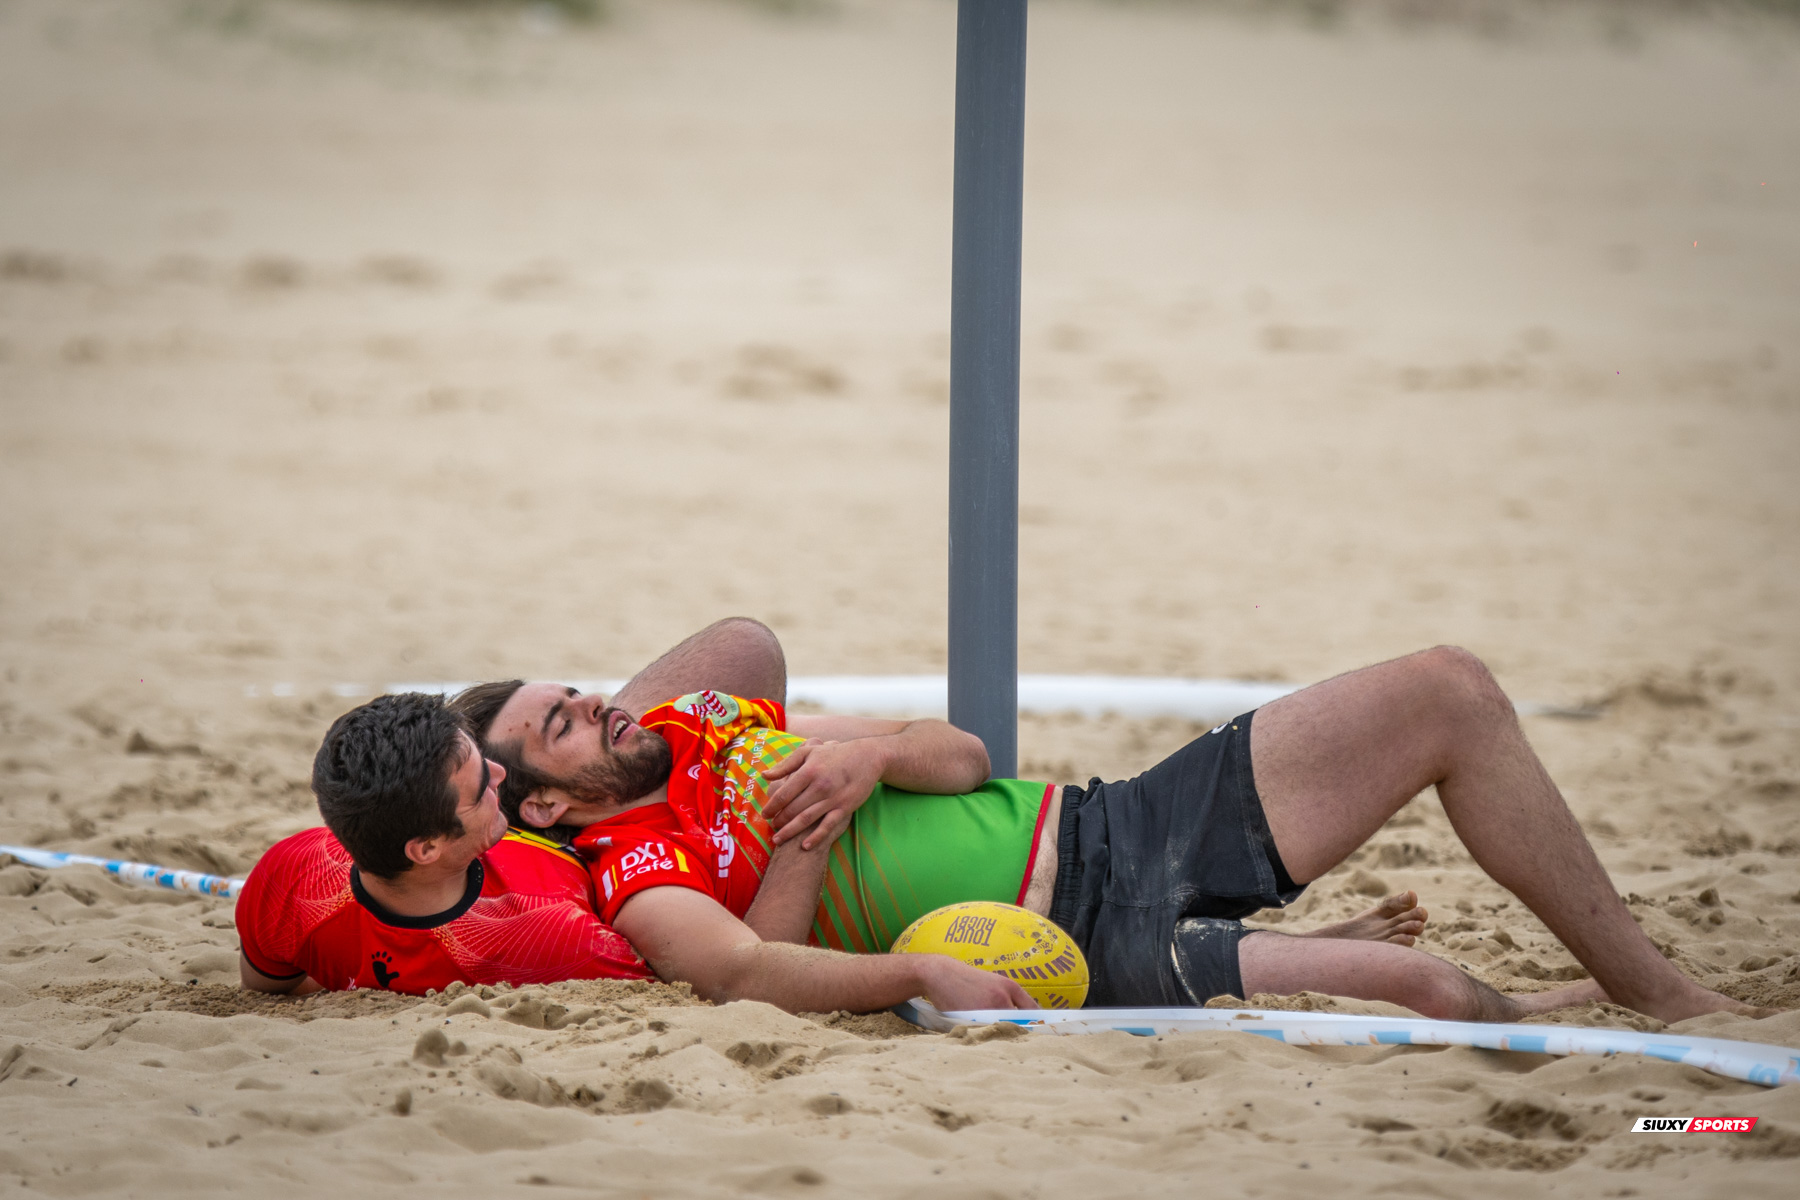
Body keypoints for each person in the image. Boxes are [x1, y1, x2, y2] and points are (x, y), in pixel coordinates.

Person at [460, 645, 1759, 1024]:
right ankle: (1536, 1005)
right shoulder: (636, 872)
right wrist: (802, 833)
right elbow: (756, 975)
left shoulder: (700, 726)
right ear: (547, 806)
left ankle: (1662, 991)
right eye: (564, 724)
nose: (595, 704)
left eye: (579, 689)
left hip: (1115, 817)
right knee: (1427, 988)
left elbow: (964, 756)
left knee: (1450, 693)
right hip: (1077, 944)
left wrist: (861, 759)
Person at [235, 619, 790, 996]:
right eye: (483, 783)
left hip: (450, 830)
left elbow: (271, 984)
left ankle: (546, 743)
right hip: (587, 835)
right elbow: (726, 966)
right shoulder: (559, 935)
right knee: (740, 657)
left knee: (742, 648)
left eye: (480, 758)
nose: (496, 776)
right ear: (426, 846)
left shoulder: (291, 876)